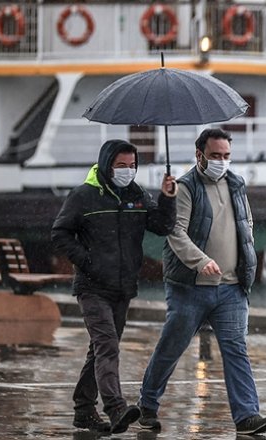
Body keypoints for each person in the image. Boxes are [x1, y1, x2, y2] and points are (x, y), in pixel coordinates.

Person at [138, 128, 266, 435]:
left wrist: (246, 262)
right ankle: (147, 405)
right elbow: (176, 232)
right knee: (171, 347)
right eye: (215, 156)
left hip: (231, 289)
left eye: (226, 156)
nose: (222, 161)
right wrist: (202, 262)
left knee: (236, 349)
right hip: (190, 287)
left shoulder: (237, 184)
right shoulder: (185, 187)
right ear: (199, 155)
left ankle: (247, 416)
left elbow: (246, 224)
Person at [52, 139, 176, 434]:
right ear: (107, 164)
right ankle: (115, 407)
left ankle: (83, 410)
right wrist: (88, 261)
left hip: (123, 288)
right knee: (107, 345)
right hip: (92, 287)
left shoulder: (137, 195)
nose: (127, 171)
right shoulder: (84, 196)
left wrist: (167, 197)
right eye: (121, 165)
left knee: (100, 349)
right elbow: (60, 234)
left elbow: (162, 226)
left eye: (132, 165)